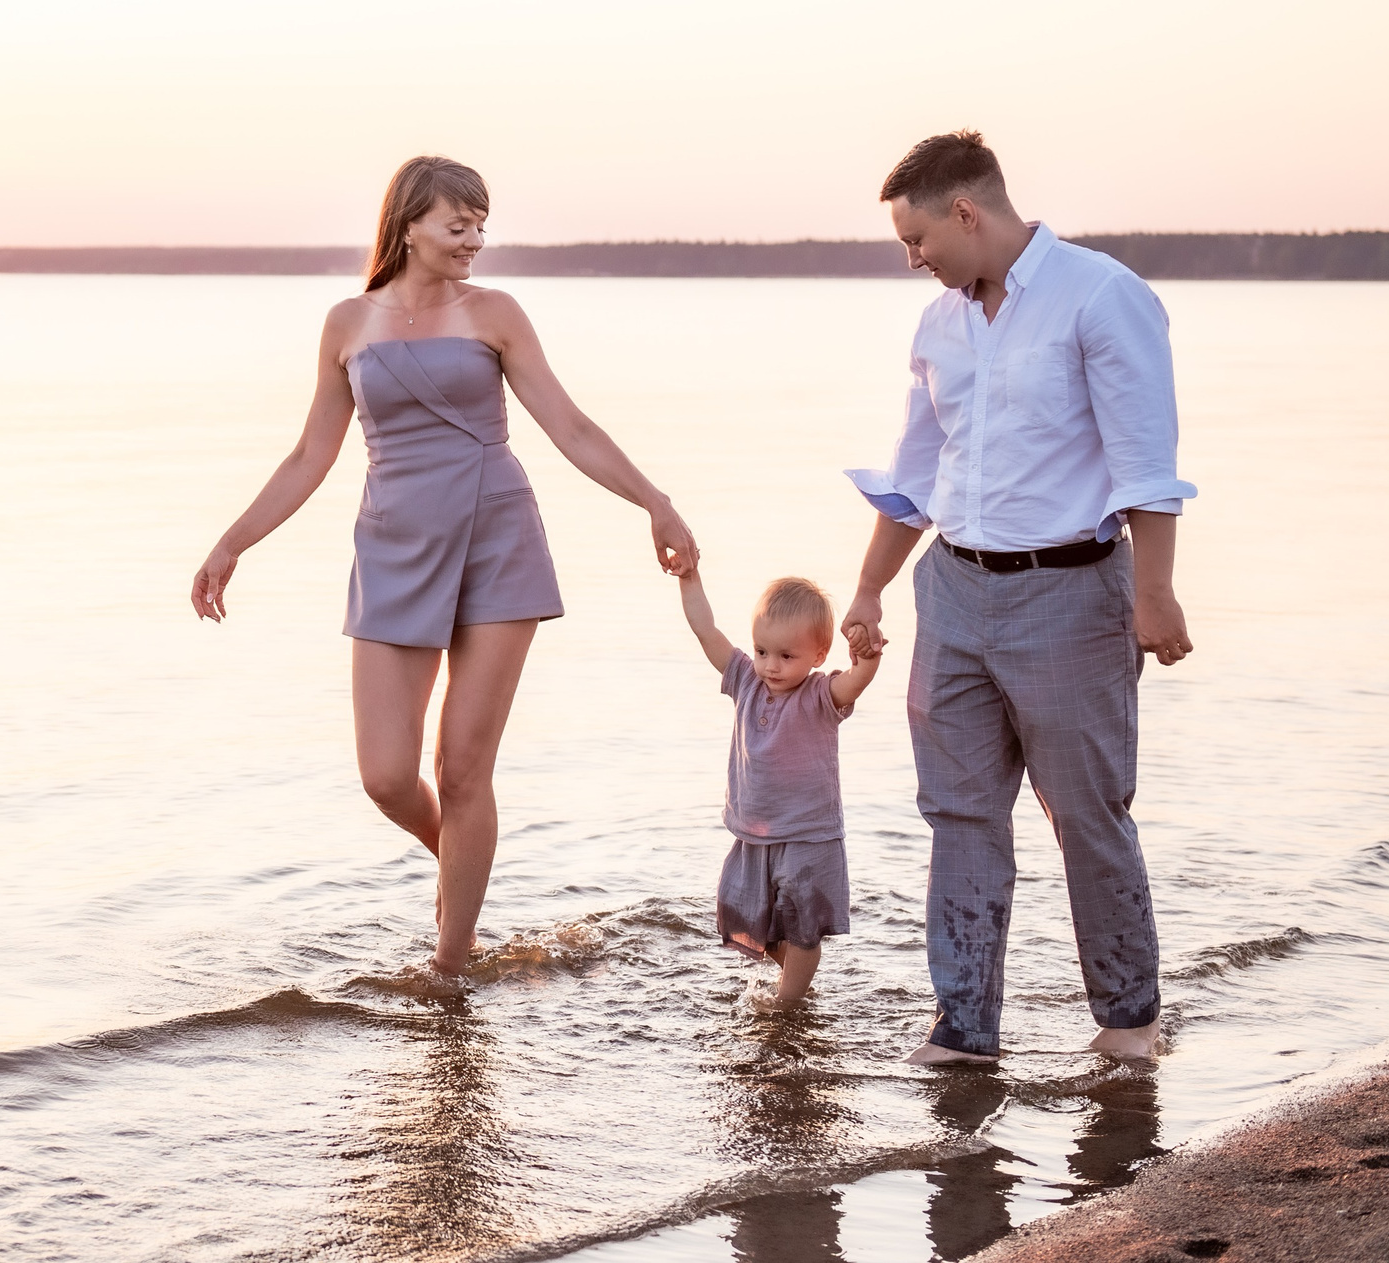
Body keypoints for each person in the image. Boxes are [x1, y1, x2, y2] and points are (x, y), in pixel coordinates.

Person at [191, 155, 698, 979]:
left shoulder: (495, 312)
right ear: (408, 226)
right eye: (459, 224)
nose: (475, 240)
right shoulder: (347, 324)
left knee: (462, 769)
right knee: (387, 776)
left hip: (497, 537)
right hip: (392, 547)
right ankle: (463, 862)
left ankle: (451, 966)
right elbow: (309, 455)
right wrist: (231, 542)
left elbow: (570, 425)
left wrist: (655, 500)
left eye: (481, 225)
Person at [839, 130, 1196, 1064]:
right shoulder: (939, 326)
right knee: (958, 813)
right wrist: (870, 587)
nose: (913, 260)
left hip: (1072, 593)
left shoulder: (1102, 295)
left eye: (917, 239)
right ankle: (964, 1026)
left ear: (966, 212)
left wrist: (1154, 592)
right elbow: (916, 476)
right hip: (953, 592)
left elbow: (1145, 461)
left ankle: (1128, 1021)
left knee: (1087, 814)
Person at [675, 569, 883, 1008]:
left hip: (808, 836)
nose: (771, 665)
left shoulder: (821, 696)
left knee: (803, 925)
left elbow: (857, 680)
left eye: (787, 655)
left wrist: (868, 656)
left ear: (818, 654)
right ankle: (798, 986)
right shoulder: (745, 680)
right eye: (762, 651)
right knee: (740, 913)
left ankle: (787, 1005)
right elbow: (705, 629)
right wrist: (689, 578)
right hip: (754, 834)